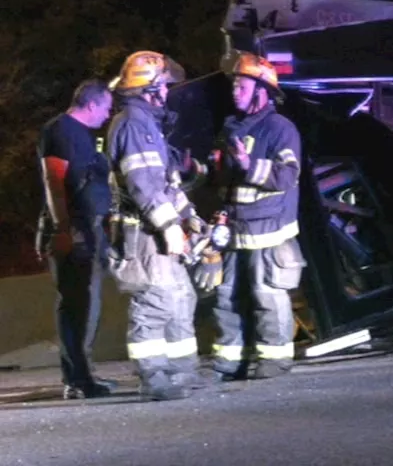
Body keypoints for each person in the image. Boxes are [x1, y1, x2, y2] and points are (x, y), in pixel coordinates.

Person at [103, 51, 208, 401]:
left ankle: (182, 372)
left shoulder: (148, 124)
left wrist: (190, 217)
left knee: (180, 296)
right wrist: (168, 226)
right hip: (144, 233)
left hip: (156, 227)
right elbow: (143, 183)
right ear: (151, 88)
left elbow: (167, 183)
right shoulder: (134, 123)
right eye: (165, 86)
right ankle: (154, 377)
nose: (168, 92)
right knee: (154, 301)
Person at [208, 52, 306, 381]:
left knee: (268, 294)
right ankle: (229, 361)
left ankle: (275, 359)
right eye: (234, 84)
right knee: (227, 294)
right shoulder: (231, 127)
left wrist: (250, 165)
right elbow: (224, 180)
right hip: (234, 227)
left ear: (261, 91)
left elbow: (288, 174)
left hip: (268, 229)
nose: (234, 90)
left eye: (242, 84)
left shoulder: (280, 129)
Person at [35, 79, 117, 399]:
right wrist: (62, 228)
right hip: (75, 230)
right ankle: (78, 381)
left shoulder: (84, 135)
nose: (108, 116)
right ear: (92, 104)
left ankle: (81, 376)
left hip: (90, 228)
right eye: (106, 109)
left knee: (86, 305)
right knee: (76, 305)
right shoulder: (60, 131)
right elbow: (53, 181)